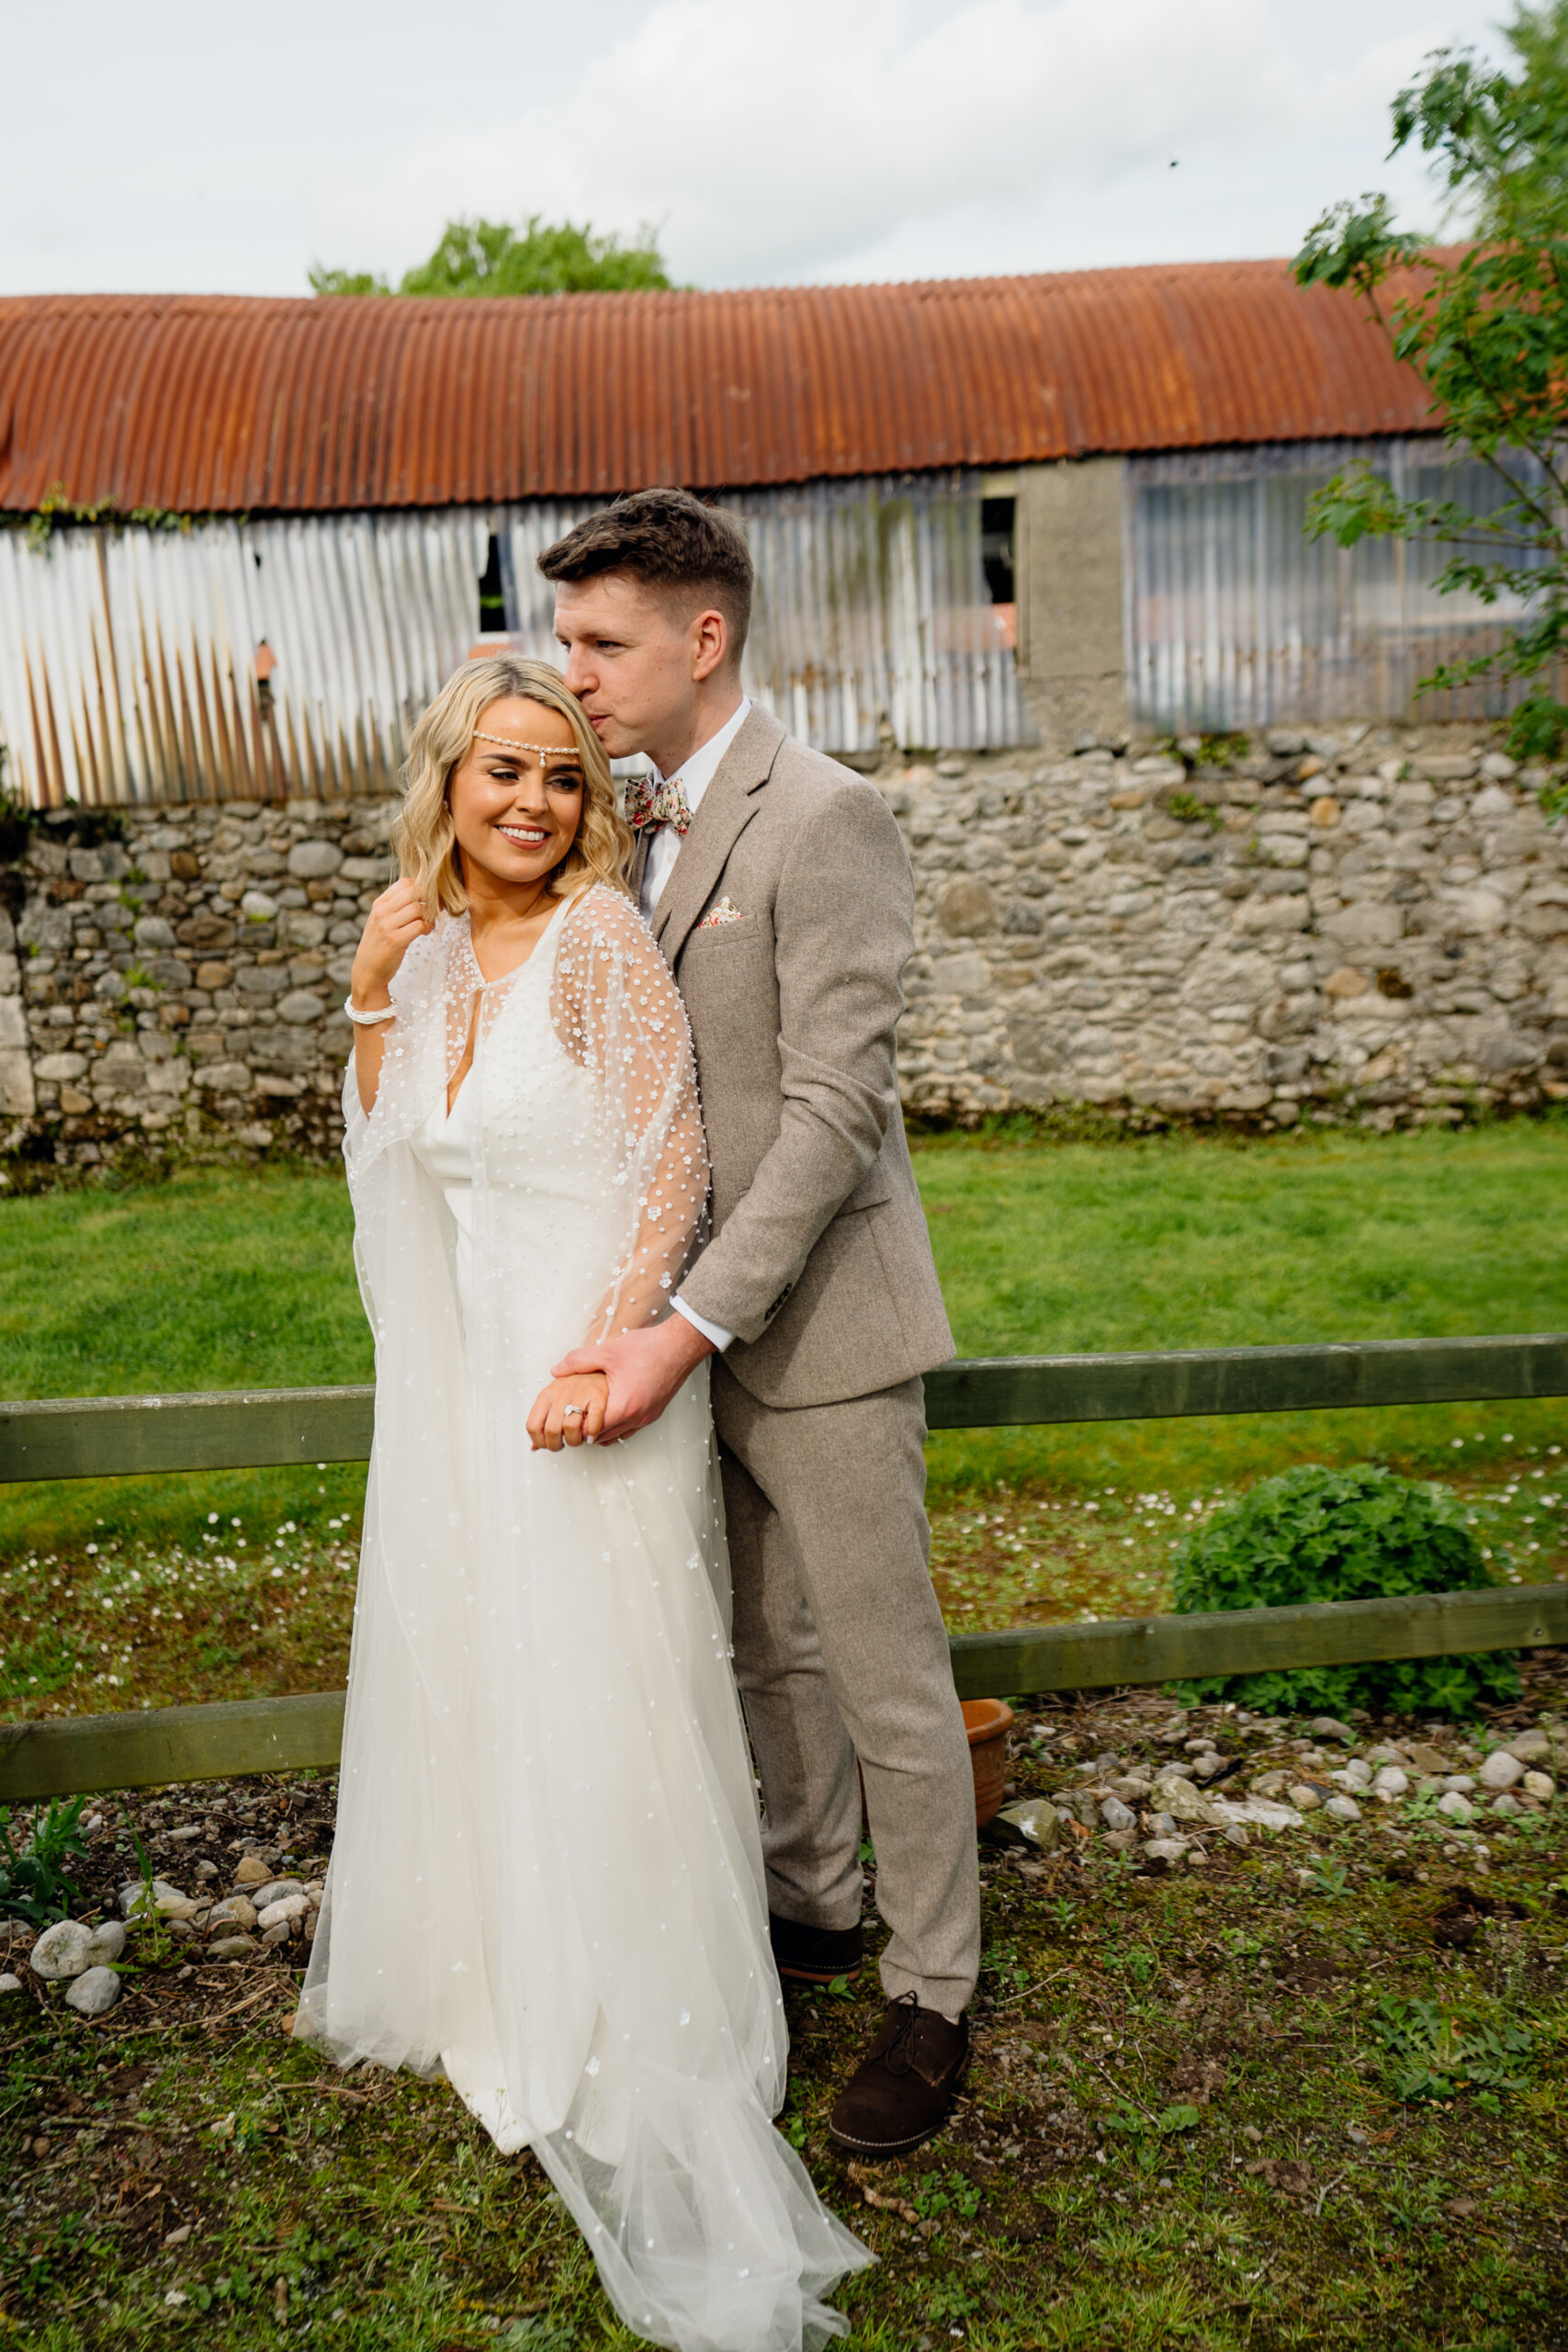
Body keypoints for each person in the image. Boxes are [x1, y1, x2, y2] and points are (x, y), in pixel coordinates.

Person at [295, 653, 871, 2352]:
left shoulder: (603, 945)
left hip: (584, 1383)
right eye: (505, 774)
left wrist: (611, 1355)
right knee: (493, 1684)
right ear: (447, 784)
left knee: (602, 1695)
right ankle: (506, 1968)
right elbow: (393, 1160)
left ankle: (633, 2014)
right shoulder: (432, 953)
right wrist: (366, 993)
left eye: (563, 775)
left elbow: (671, 1165)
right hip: (469, 1390)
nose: (538, 803)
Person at [543, 490, 981, 2158]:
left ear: (701, 637)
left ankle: (934, 1992)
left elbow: (833, 1112)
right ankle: (817, 1909)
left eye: (601, 639)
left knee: (884, 1671)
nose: (571, 669)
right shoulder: (623, 823)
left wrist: (690, 1326)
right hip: (677, 1336)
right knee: (760, 1652)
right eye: (569, 638)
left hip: (819, 1332)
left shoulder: (829, 819)